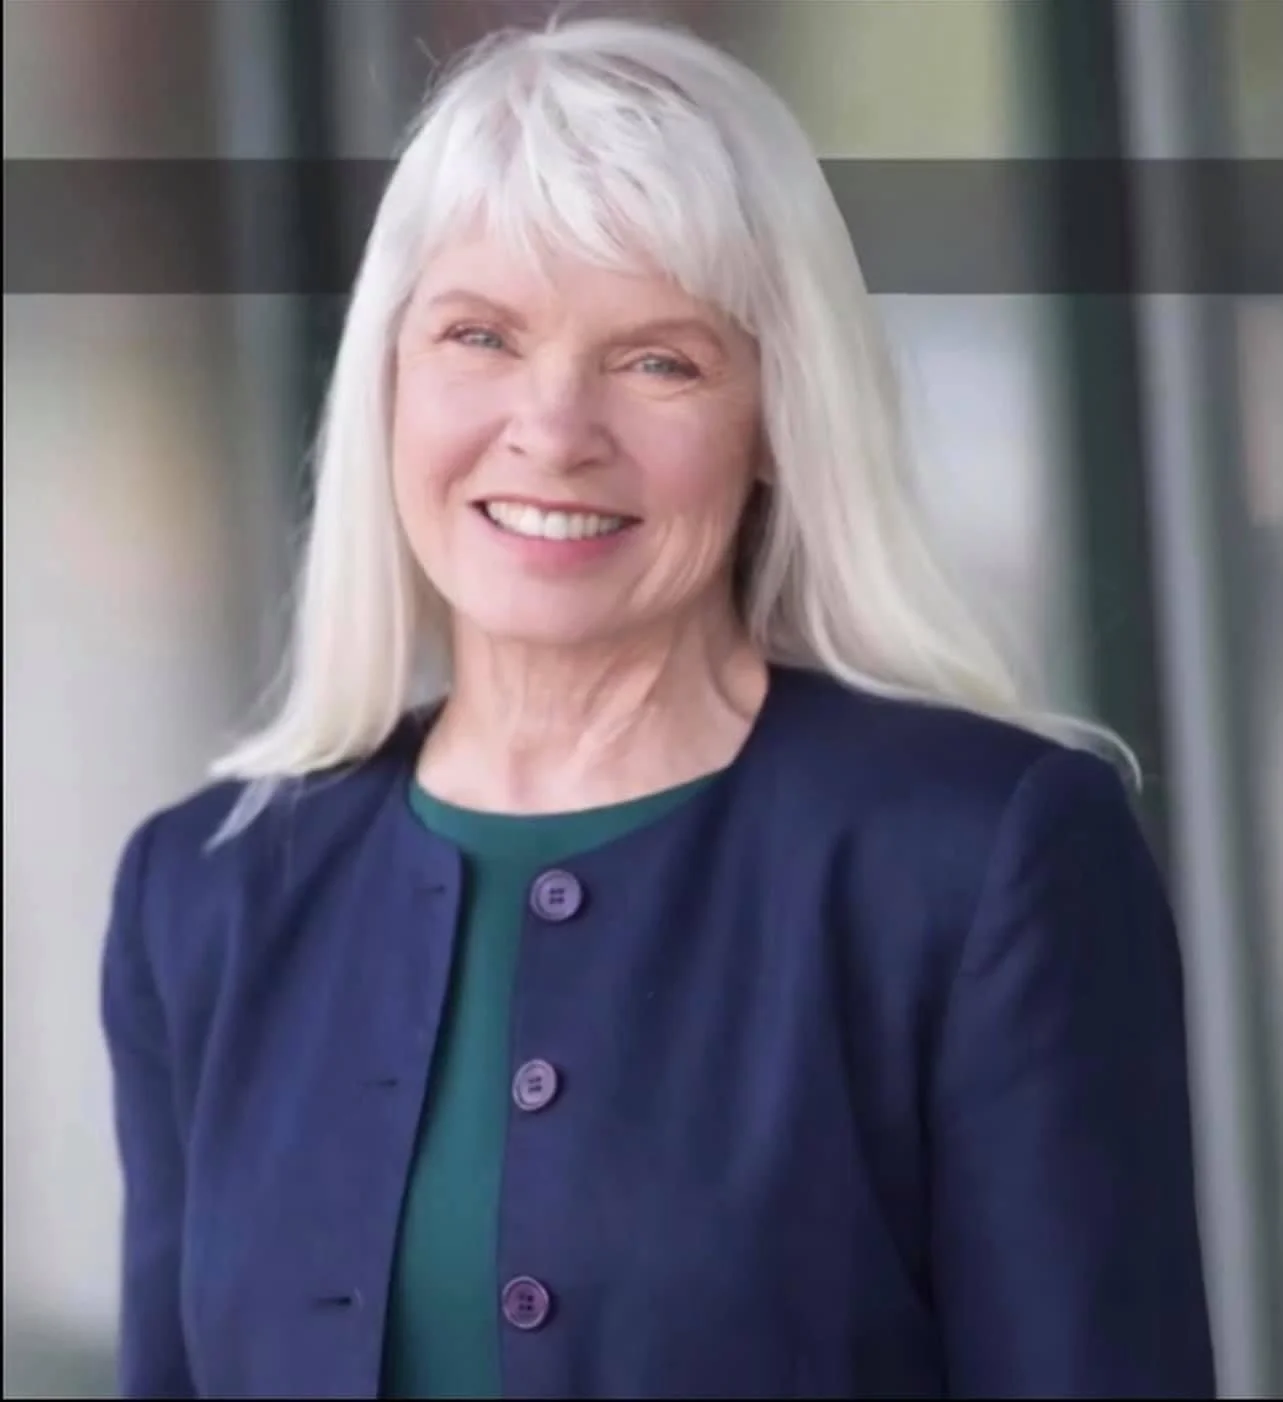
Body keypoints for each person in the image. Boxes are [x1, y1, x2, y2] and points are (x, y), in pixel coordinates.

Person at [100, 15, 1216, 1400]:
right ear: (386, 378)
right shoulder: (205, 895)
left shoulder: (980, 859)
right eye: (479, 335)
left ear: (772, 425)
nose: (553, 426)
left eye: (658, 360)